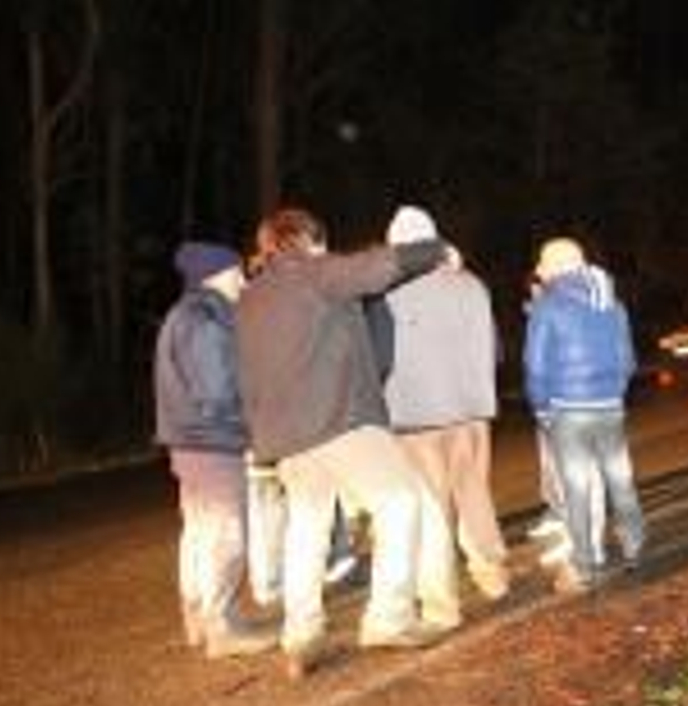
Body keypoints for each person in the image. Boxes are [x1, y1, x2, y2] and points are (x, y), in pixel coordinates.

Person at [237, 205, 452, 677]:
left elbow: (245, 375)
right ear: (308, 240)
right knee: (401, 500)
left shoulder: (251, 298)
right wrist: (437, 250)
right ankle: (390, 618)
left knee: (307, 528)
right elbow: (378, 267)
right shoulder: (312, 272)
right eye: (322, 242)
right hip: (339, 419)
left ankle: (301, 633)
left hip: (286, 436)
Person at [380, 204, 510, 610]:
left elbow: (379, 359)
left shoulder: (387, 294)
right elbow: (494, 349)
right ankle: (492, 573)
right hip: (470, 411)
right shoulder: (472, 285)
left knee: (431, 509)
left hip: (414, 417)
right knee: (474, 492)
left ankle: (439, 599)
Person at [152, 241, 278, 658]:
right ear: (216, 275)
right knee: (226, 534)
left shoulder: (189, 314)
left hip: (193, 442)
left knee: (201, 532)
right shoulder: (204, 319)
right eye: (236, 271)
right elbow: (217, 392)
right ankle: (221, 627)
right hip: (212, 442)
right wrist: (254, 422)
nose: (243, 279)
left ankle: (201, 619)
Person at [523, 237, 644, 593]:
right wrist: (613, 393)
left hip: (567, 411)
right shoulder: (614, 304)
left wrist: (543, 410)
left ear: (556, 267)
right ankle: (634, 543)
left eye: (543, 266)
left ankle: (585, 565)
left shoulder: (547, 307)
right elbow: (629, 361)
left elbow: (535, 368)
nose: (540, 274)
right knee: (620, 479)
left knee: (577, 488)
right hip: (610, 407)